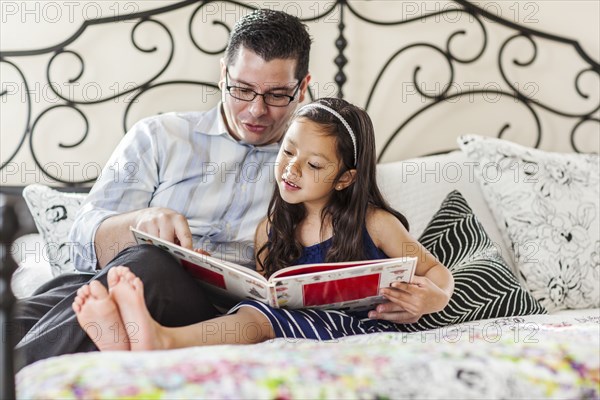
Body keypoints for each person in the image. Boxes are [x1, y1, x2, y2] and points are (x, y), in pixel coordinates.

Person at [12, 8, 312, 368]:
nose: (256, 110)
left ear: (303, 87)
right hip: (107, 287)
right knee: (22, 315)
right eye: (243, 90)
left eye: (277, 94)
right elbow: (77, 245)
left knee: (149, 264)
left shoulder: (313, 163)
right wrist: (138, 222)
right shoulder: (160, 136)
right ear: (222, 75)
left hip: (208, 313)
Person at [72, 98, 454, 350]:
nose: (291, 168)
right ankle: (131, 337)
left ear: (345, 178)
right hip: (298, 327)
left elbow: (438, 271)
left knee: (262, 320)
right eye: (288, 150)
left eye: (315, 165)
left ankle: (161, 340)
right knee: (254, 315)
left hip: (369, 330)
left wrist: (434, 297)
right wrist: (207, 271)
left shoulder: (376, 223)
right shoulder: (269, 229)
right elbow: (267, 292)